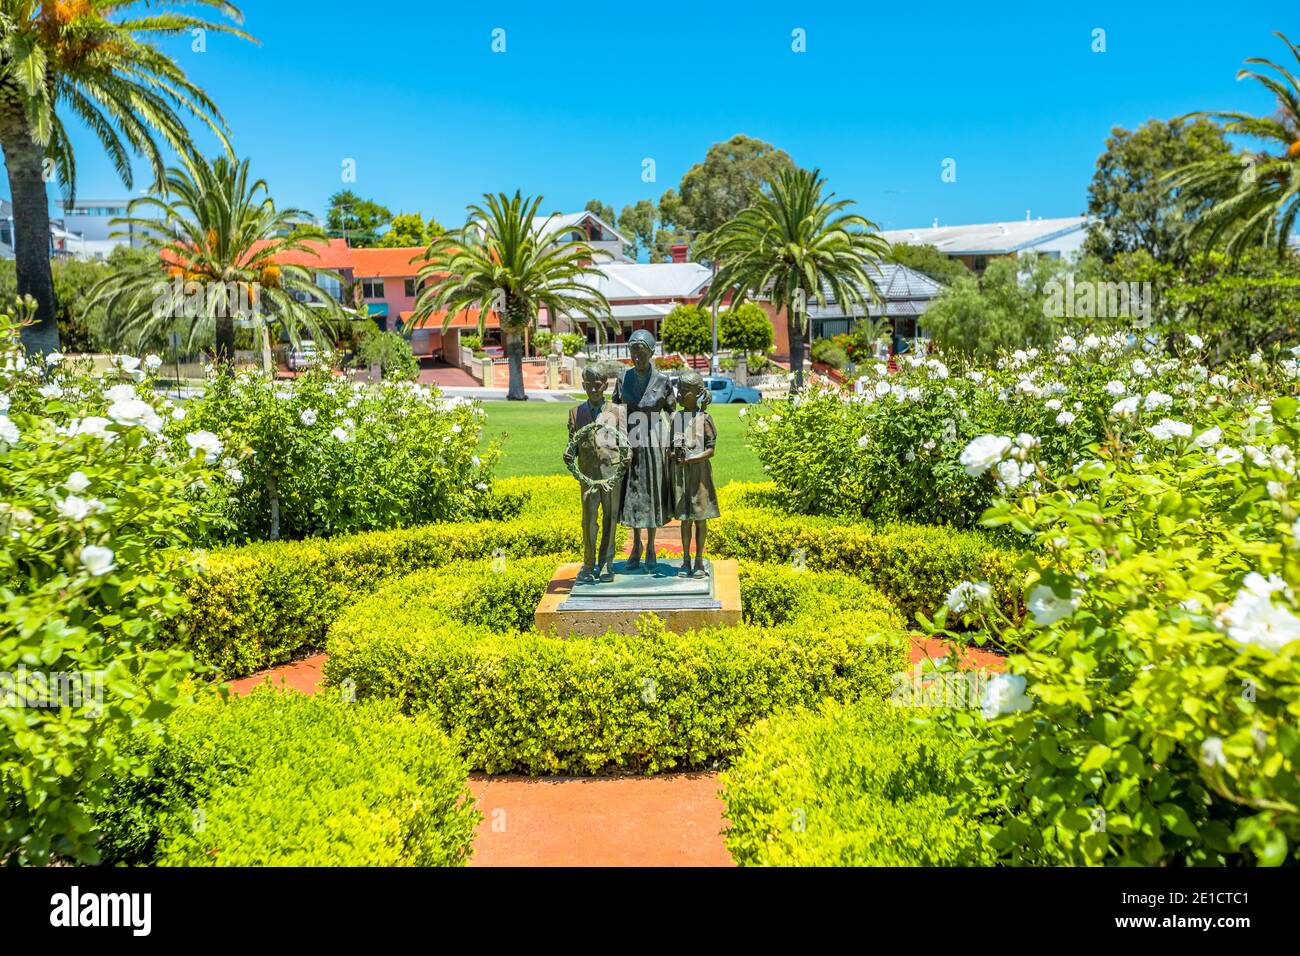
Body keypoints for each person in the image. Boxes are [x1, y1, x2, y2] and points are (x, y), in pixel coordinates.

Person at [612, 329, 673, 571]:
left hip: (654, 439)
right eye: (633, 353)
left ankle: (651, 546)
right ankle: (635, 545)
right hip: (630, 438)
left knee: (652, 492)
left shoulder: (662, 380)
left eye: (641, 352)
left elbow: (672, 412)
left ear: (651, 353)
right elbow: (614, 411)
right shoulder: (622, 379)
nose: (637, 358)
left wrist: (679, 439)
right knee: (633, 493)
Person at [564, 365, 628, 582]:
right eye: (588, 384)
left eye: (597, 384)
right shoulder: (576, 412)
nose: (593, 389)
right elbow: (573, 445)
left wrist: (622, 467)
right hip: (588, 476)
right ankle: (589, 564)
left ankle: (606, 563)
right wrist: (569, 455)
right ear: (583, 385)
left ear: (606, 385)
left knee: (610, 519)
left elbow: (627, 446)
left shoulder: (618, 412)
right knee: (588, 521)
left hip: (612, 474)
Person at [669, 369, 720, 578]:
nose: (679, 395)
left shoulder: (704, 418)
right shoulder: (676, 417)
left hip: (699, 475)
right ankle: (686, 560)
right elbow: (669, 447)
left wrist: (690, 458)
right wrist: (674, 453)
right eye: (679, 390)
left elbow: (711, 450)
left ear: (697, 393)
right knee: (685, 519)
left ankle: (699, 559)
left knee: (699, 518)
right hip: (681, 476)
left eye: (684, 391)